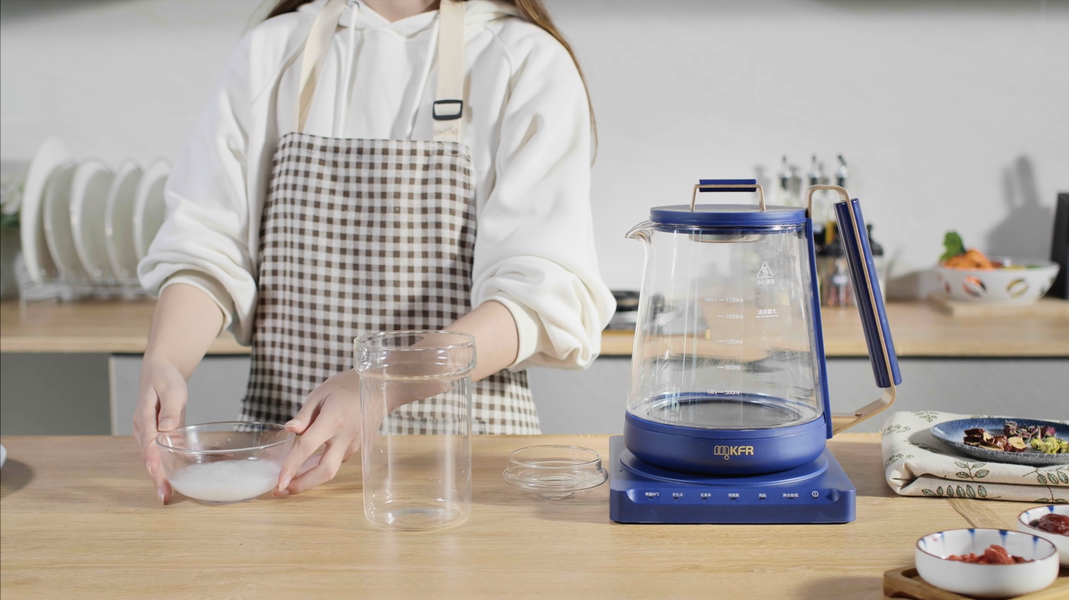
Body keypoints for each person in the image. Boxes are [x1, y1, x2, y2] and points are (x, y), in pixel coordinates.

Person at [134, 0, 614, 504]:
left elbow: (538, 296)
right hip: (289, 474)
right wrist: (165, 359)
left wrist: (382, 383)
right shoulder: (272, 52)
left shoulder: (524, 60)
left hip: (464, 480)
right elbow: (208, 248)